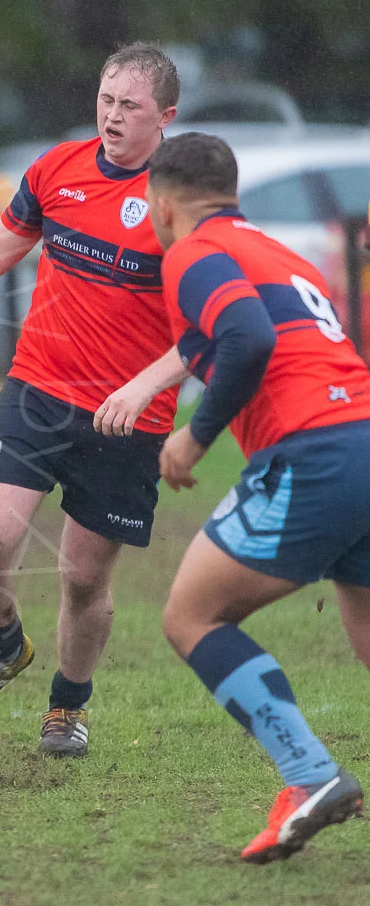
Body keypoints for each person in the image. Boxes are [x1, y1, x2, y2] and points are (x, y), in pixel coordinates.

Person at [0, 42, 188, 756]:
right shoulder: (58, 168)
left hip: (129, 419)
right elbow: (4, 242)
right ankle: (1, 645)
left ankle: (67, 705)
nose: (113, 116)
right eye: (106, 99)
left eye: (130, 106)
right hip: (36, 390)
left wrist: (143, 387)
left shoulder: (181, 203)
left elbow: (208, 328)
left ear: (167, 117)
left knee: (84, 578)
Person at [147, 133, 368, 862]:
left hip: (314, 450)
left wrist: (194, 437)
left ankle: (309, 776)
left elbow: (248, 336)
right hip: (361, 432)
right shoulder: (281, 252)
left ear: (164, 201)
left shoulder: (192, 251)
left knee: (191, 614)